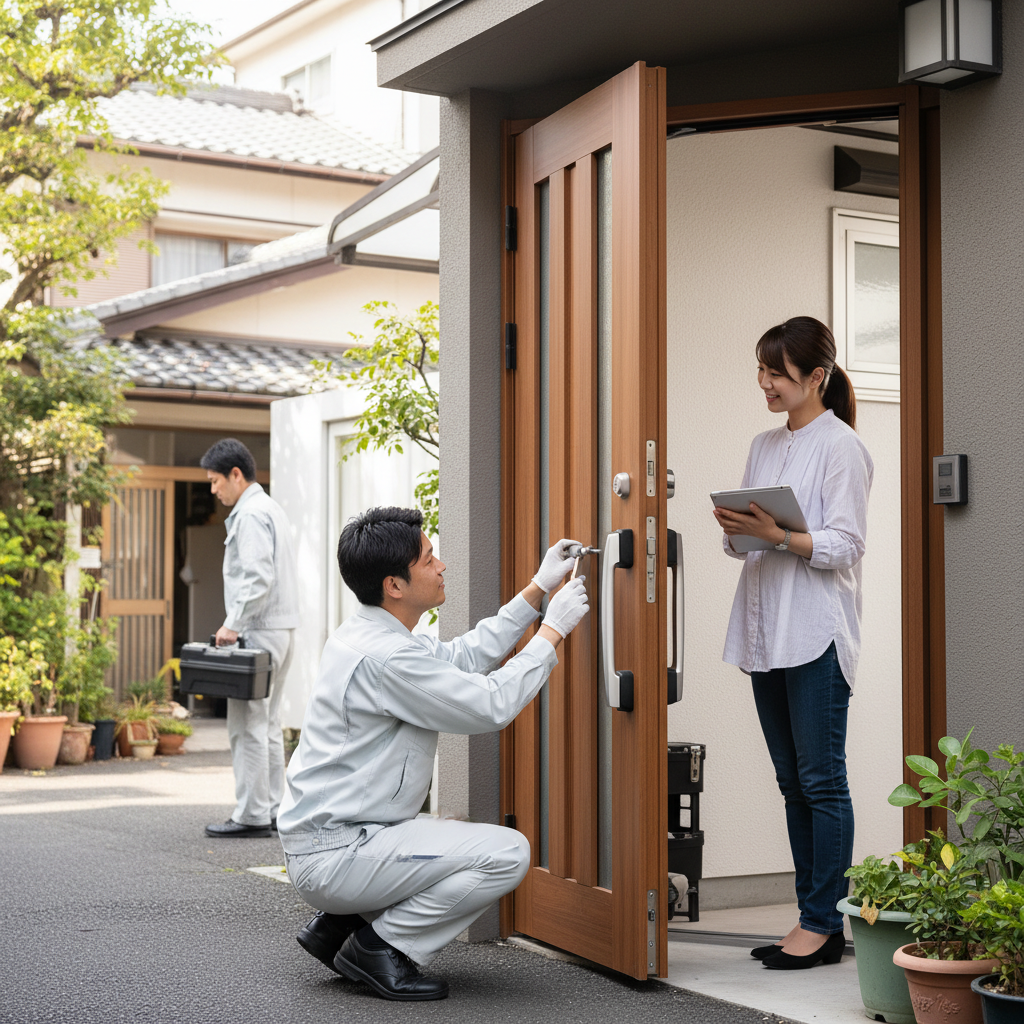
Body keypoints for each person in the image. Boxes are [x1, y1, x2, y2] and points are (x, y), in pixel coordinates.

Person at [277, 506, 589, 1001]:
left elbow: (461, 657)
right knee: (507, 853)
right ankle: (378, 946)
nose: (441, 565)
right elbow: (489, 705)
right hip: (340, 852)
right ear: (394, 586)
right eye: (428, 559)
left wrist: (537, 590)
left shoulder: (372, 634)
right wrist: (553, 632)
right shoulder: (388, 656)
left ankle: (339, 925)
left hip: (336, 838)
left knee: (455, 836)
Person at [712, 317, 873, 971]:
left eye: (778, 372)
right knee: (791, 783)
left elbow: (843, 545)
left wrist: (776, 535)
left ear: (818, 377)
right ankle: (812, 919)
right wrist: (739, 527)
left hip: (814, 634)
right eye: (762, 370)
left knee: (821, 781)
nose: (766, 383)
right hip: (763, 631)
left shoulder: (842, 448)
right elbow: (742, 545)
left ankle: (821, 924)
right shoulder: (763, 443)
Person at [200, 438, 299, 839]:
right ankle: (273, 808)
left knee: (247, 725)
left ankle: (252, 814)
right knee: (268, 722)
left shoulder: (251, 515)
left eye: (214, 481)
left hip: (258, 630)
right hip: (280, 629)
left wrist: (232, 624)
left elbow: (257, 576)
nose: (213, 490)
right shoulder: (269, 507)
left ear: (235, 475)